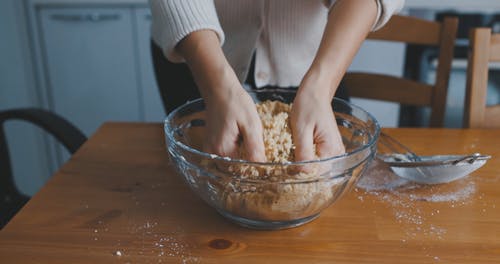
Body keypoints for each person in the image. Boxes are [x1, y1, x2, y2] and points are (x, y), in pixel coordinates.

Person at [149, 0, 404, 163]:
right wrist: (218, 89)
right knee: (202, 169)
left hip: (315, 63)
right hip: (198, 53)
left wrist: (321, 87)